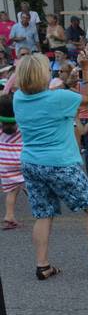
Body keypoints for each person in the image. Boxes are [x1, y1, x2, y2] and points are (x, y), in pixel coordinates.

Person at [10, 52, 88, 279]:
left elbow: (41, 94)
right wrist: (86, 69)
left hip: (31, 162)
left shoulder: (19, 98)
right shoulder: (58, 98)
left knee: (43, 213)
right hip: (60, 162)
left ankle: (42, 265)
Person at [0, 94, 24, 229]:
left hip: (3, 159)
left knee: (11, 190)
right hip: (20, 157)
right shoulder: (22, 121)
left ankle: (9, 215)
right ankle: (9, 216)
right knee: (24, 185)